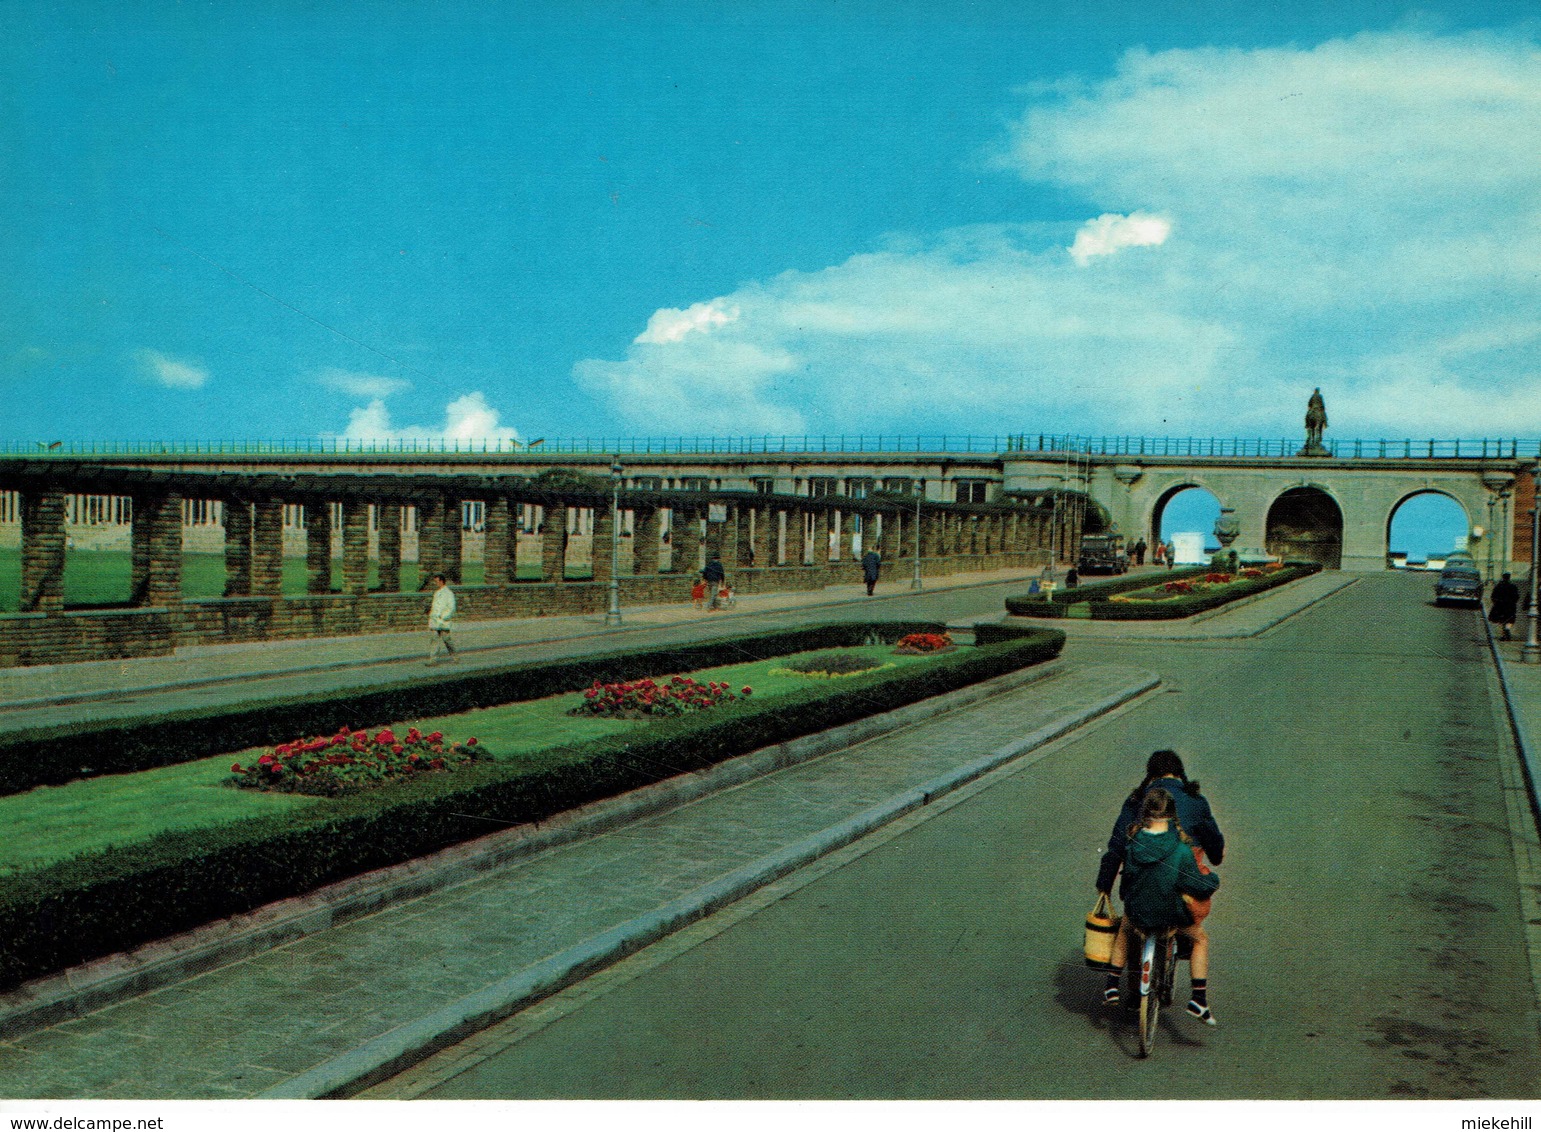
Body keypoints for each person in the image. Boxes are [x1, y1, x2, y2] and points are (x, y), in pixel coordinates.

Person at [1095, 750, 1225, 1024]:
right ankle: (1189, 961)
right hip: (1178, 882)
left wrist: (1105, 884)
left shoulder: (1137, 801)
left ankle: (1131, 992)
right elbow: (1213, 838)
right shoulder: (1195, 800)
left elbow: (1117, 845)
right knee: (1191, 913)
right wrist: (1215, 858)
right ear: (1179, 774)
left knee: (1130, 926)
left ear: (1151, 775)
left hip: (1141, 889)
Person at [425, 573, 456, 665]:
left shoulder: (449, 593)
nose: (435, 583)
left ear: (441, 581)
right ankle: (433, 660)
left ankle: (454, 656)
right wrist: (431, 614)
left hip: (443, 621)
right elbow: (435, 606)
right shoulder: (436, 593)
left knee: (447, 639)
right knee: (434, 639)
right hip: (435, 621)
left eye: (436, 581)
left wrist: (444, 617)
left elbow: (451, 607)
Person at [1490, 572, 1521, 641]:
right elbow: (1516, 596)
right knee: (1510, 619)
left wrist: (1496, 603)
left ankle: (1504, 634)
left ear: (1503, 577)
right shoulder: (1513, 586)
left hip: (1500, 605)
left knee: (1503, 619)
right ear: (1509, 578)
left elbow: (1493, 596)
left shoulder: (1499, 586)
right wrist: (1513, 602)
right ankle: (1507, 629)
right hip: (1510, 605)